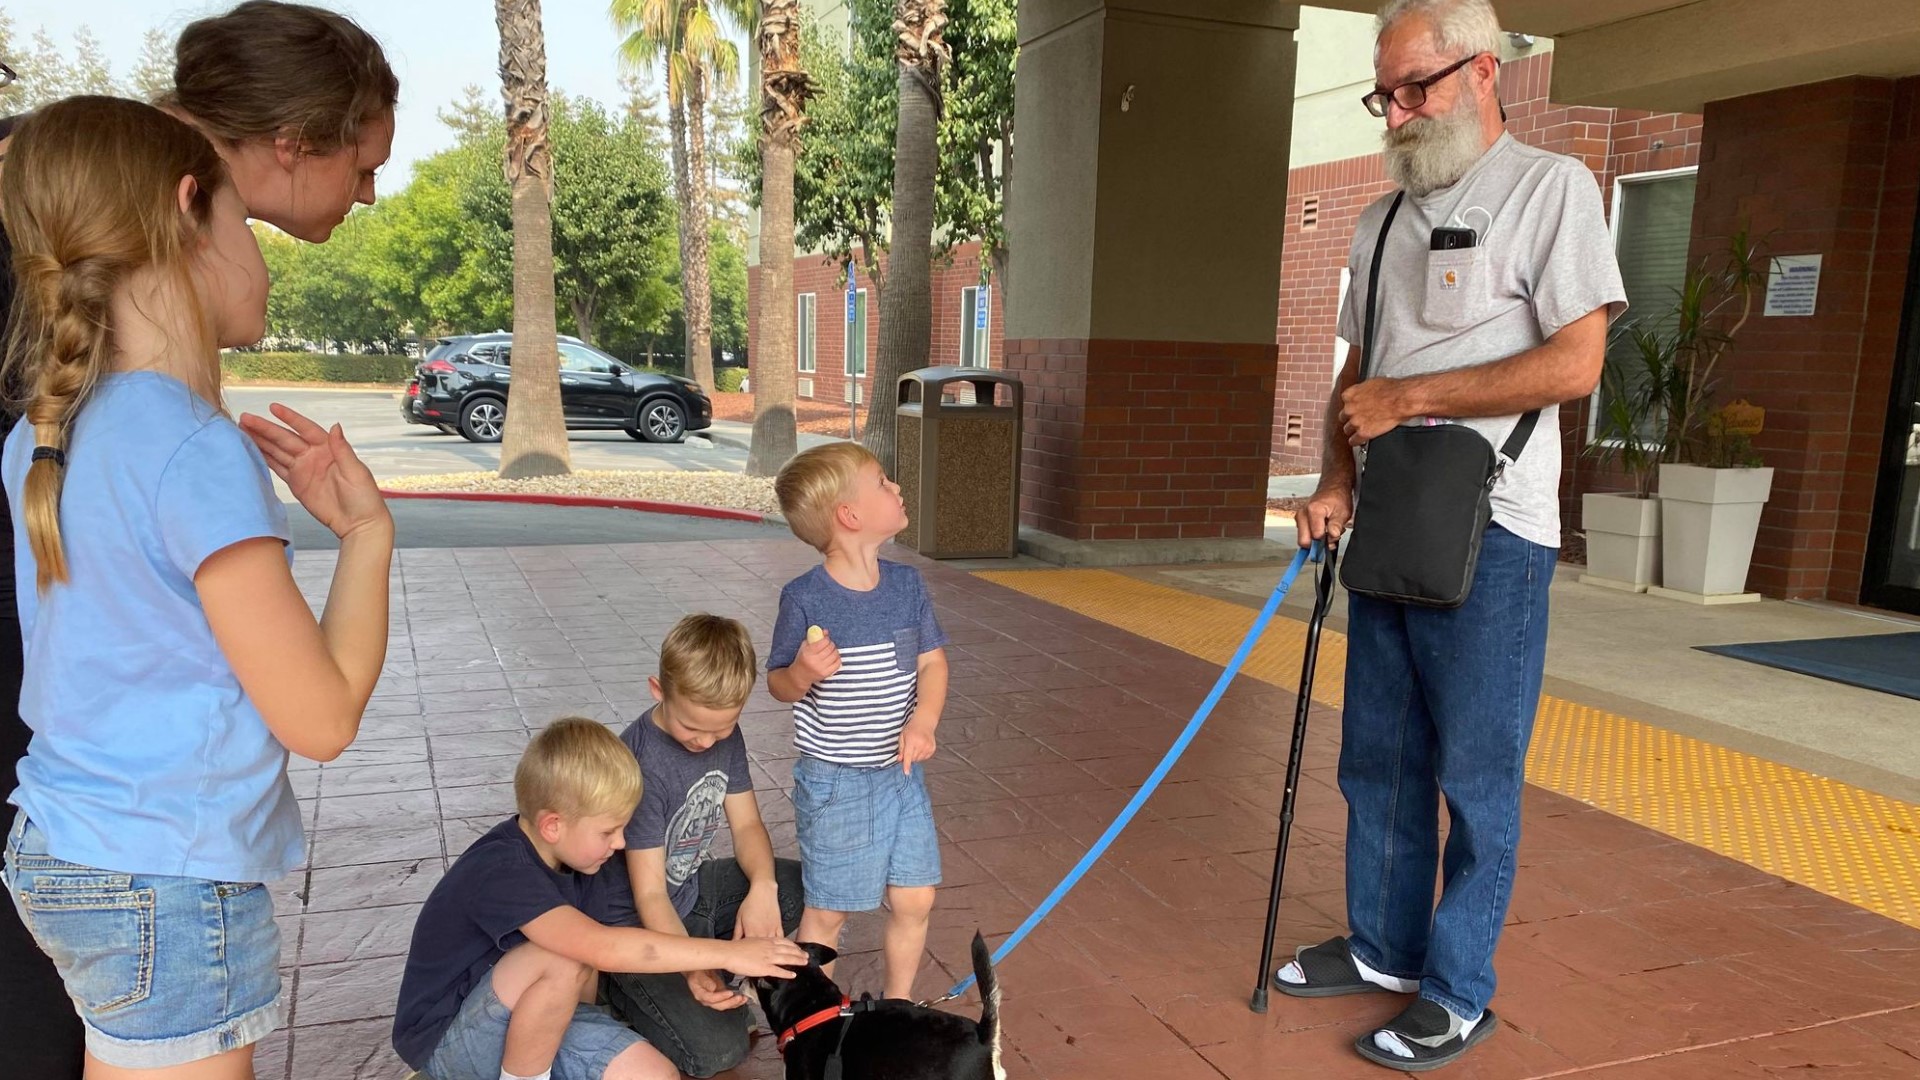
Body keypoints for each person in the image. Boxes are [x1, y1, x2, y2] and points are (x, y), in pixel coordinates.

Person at [0, 8, 396, 1075]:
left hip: (64, 846)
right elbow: (319, 718)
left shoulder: (48, 430)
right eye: (244, 226)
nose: (259, 258)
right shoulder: (194, 449)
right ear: (191, 209)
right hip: (166, 879)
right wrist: (366, 535)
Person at [1280, 0, 1626, 1070]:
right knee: (1377, 756)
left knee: (1476, 771)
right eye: (1384, 93)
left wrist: (1412, 398)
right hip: (1387, 518)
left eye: (1415, 88)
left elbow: (1576, 364)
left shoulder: (1551, 190)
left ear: (1486, 73)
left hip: (1496, 527)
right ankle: (1384, 947)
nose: (1397, 111)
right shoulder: (1381, 219)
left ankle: (1457, 986)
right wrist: (1335, 475)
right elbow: (1359, 372)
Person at [391, 717, 809, 1080]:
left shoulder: (579, 862)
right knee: (563, 954)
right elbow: (598, 948)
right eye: (609, 832)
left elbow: (590, 976)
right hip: (451, 1039)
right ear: (553, 825)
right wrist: (729, 955)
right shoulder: (500, 869)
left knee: (656, 1073)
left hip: (536, 1018)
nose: (621, 842)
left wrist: (692, 971)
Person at [768, 442, 950, 1001]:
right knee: (830, 911)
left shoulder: (907, 586)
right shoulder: (803, 597)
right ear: (850, 516)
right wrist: (802, 671)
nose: (897, 488)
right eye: (883, 482)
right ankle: (808, 1025)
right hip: (837, 780)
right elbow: (778, 684)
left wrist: (924, 720)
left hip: (898, 773)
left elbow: (933, 662)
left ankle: (897, 1007)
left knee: (916, 897)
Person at [598, 614, 805, 1078]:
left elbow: (748, 824)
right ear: (658, 689)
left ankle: (714, 976)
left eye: (723, 728)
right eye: (694, 727)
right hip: (636, 929)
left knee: (796, 886)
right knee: (718, 1052)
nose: (707, 741)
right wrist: (694, 970)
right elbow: (649, 896)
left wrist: (763, 887)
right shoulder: (641, 766)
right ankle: (617, 993)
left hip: (690, 896)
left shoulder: (721, 734)